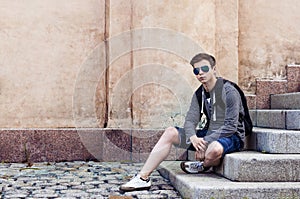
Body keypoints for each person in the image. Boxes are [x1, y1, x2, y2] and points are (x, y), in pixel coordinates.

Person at [119, 53, 245, 192]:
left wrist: (204, 142)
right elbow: (190, 120)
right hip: (210, 134)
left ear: (214, 69)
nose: (200, 73)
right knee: (171, 132)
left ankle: (202, 166)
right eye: (196, 71)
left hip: (232, 136)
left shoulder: (229, 91)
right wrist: (193, 138)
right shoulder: (200, 93)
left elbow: (231, 127)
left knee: (213, 149)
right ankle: (143, 178)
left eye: (205, 68)